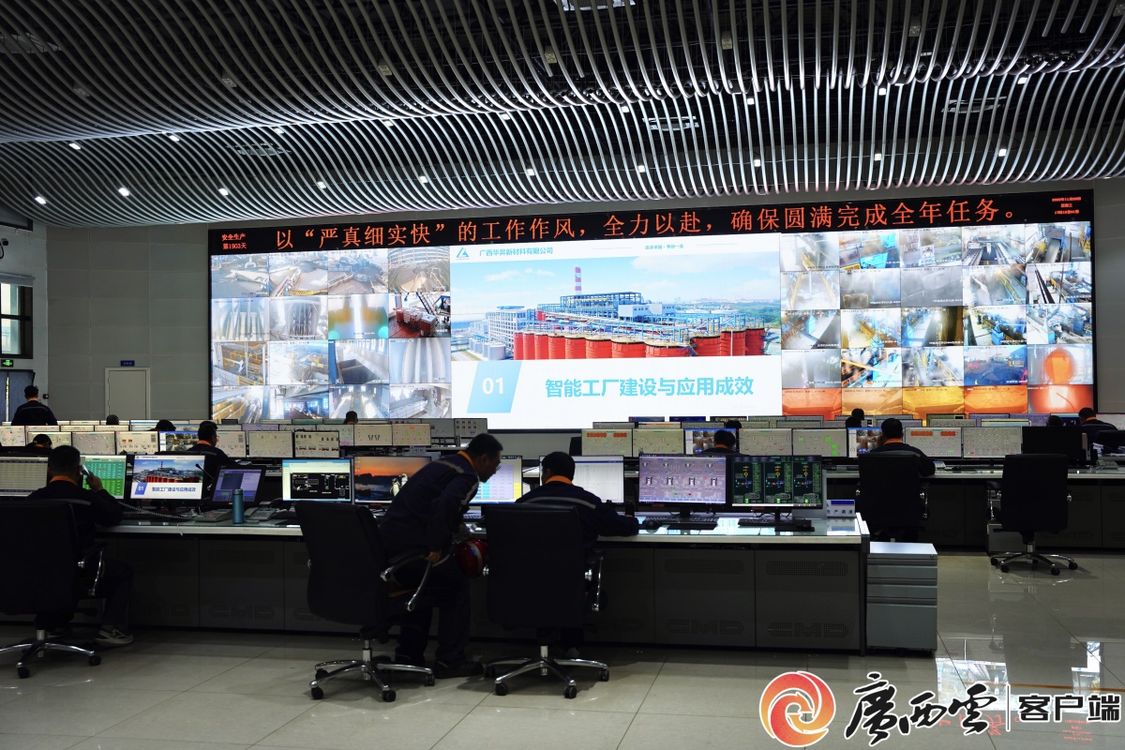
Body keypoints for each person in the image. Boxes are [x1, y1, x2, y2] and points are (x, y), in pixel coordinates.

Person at [379, 433, 503, 677]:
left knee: (424, 588)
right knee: (456, 587)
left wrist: (457, 529)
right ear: (483, 458)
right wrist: (436, 547)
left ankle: (408, 655)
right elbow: (446, 504)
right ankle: (450, 660)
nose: (495, 470)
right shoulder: (467, 475)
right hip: (414, 551)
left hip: (390, 551)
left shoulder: (442, 465)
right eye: (495, 464)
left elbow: (433, 504)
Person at [517, 452, 639, 656]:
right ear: (572, 475)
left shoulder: (525, 502)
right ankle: (570, 645)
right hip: (572, 583)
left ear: (546, 472)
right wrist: (632, 519)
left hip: (526, 585)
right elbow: (625, 527)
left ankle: (548, 644)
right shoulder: (587, 502)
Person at [26, 446, 134, 647]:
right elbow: (113, 516)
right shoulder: (85, 497)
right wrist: (99, 490)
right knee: (123, 572)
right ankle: (110, 629)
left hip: (35, 573)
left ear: (49, 470)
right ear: (79, 471)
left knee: (54, 570)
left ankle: (54, 625)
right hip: (77, 571)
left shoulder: (33, 499)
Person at [866, 418, 936, 476]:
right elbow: (930, 470)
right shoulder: (915, 453)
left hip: (881, 489)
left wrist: (879, 447)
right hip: (908, 489)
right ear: (902, 434)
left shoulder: (873, 455)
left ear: (883, 435)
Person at [185, 421, 228, 498]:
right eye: (216, 437)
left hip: (190, 495)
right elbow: (234, 468)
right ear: (213, 437)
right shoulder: (217, 453)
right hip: (210, 496)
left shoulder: (187, 452)